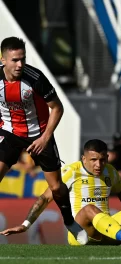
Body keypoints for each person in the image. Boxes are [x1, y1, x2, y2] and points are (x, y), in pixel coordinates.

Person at [0, 139, 121, 247]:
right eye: (93, 160)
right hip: (81, 233)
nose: (98, 165)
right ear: (83, 158)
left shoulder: (110, 171)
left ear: (107, 157)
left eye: (102, 159)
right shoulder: (71, 171)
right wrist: (25, 224)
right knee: (89, 208)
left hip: (108, 231)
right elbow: (44, 199)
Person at [0, 37, 87, 244]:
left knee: (56, 187)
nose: (20, 64)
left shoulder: (35, 78)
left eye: (22, 59)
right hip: (10, 132)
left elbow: (57, 108)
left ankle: (69, 222)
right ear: (3, 59)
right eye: (15, 60)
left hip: (38, 133)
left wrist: (44, 138)